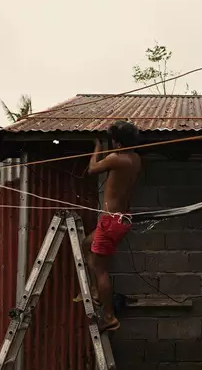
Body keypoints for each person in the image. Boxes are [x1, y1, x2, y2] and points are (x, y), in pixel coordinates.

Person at [78, 121, 142, 332]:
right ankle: (95, 292)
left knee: (99, 268)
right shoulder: (135, 159)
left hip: (111, 220)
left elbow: (92, 169)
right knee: (87, 244)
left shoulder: (116, 158)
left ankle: (108, 316)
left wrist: (96, 146)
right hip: (121, 219)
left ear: (116, 141)